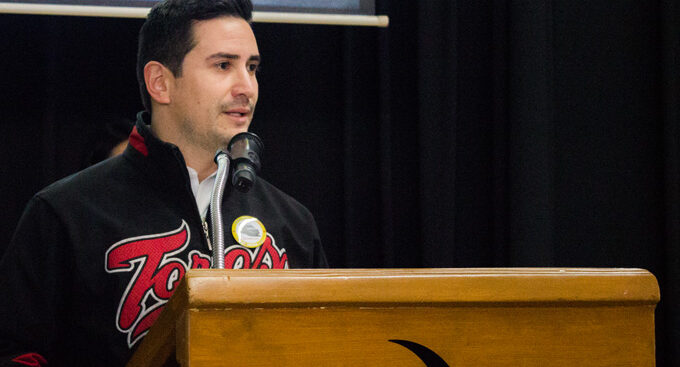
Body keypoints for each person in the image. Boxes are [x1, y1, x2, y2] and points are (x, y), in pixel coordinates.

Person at [0, 0, 328, 365]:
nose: (246, 87)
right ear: (160, 82)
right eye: (223, 65)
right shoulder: (66, 214)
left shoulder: (291, 222)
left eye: (252, 68)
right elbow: (16, 351)